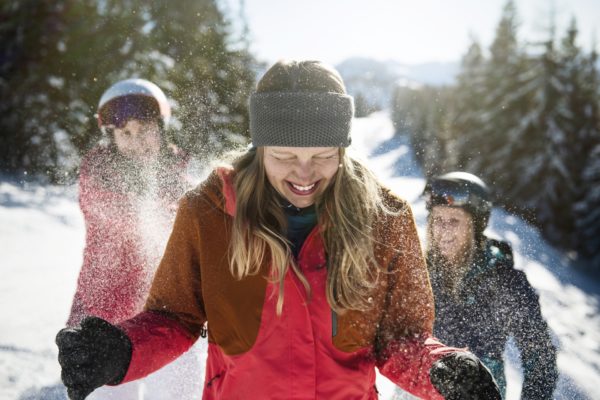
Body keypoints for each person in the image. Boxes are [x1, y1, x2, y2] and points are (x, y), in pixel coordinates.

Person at [56, 61, 500, 400]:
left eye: (324, 153)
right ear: (259, 147)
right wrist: (124, 349)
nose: (305, 172)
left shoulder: (385, 218)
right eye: (285, 154)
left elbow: (400, 338)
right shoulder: (208, 212)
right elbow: (175, 316)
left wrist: (440, 368)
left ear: (343, 146)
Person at [66, 78, 203, 399]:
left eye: (144, 129)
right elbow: (120, 217)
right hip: (108, 320)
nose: (136, 140)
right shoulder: (98, 175)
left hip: (170, 321)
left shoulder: (183, 174)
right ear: (111, 138)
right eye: (124, 133)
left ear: (161, 128)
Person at [417, 171, 558, 399]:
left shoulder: (503, 279)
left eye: (454, 221)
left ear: (476, 225)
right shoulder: (419, 273)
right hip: (417, 391)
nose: (443, 230)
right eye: (437, 220)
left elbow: (539, 354)